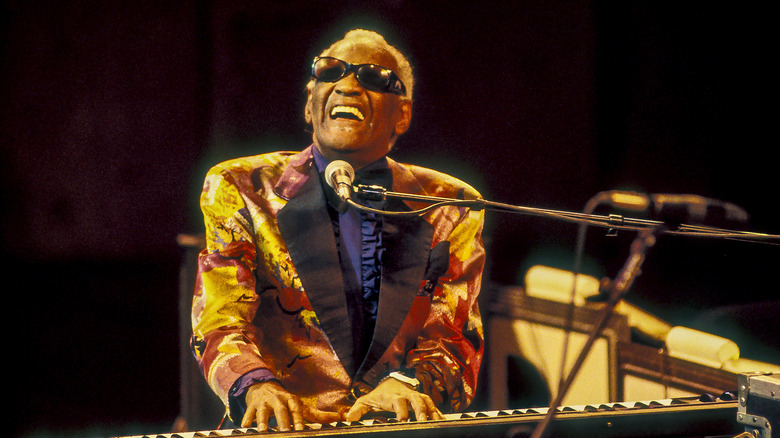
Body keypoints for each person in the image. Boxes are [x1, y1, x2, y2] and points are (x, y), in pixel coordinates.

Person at [190, 28, 486, 432]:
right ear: (310, 106)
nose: (347, 84)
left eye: (374, 78)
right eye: (330, 72)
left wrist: (406, 384)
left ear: (403, 114)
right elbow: (220, 320)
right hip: (281, 430)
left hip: (394, 429)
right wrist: (256, 386)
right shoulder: (242, 187)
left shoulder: (448, 204)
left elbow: (453, 337)